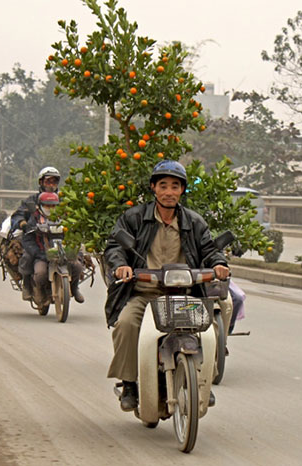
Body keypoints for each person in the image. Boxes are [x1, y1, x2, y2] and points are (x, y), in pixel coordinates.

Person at [104, 160, 230, 411]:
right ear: (153, 188)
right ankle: (129, 383)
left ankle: (204, 383)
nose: (169, 191)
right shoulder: (134, 217)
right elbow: (115, 247)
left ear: (182, 190)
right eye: (163, 186)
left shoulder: (194, 222)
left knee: (211, 330)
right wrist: (121, 265)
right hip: (144, 293)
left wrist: (219, 264)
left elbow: (208, 249)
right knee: (126, 323)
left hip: (184, 294)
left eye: (175, 186)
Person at [21, 192, 85, 305]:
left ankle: (74, 288)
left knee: (78, 267)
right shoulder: (34, 218)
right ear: (40, 205)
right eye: (47, 205)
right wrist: (37, 253)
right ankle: (40, 291)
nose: (51, 208)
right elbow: (27, 239)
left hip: (64, 252)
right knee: (40, 273)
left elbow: (75, 234)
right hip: (41, 254)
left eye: (53, 205)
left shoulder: (65, 216)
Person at [13, 166, 61, 300]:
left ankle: (74, 286)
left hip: (59, 237)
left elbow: (74, 214)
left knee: (76, 258)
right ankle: (27, 284)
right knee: (28, 257)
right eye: (48, 181)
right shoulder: (31, 200)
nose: (51, 185)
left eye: (54, 182)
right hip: (35, 236)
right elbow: (17, 216)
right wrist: (23, 223)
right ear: (41, 182)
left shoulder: (63, 199)